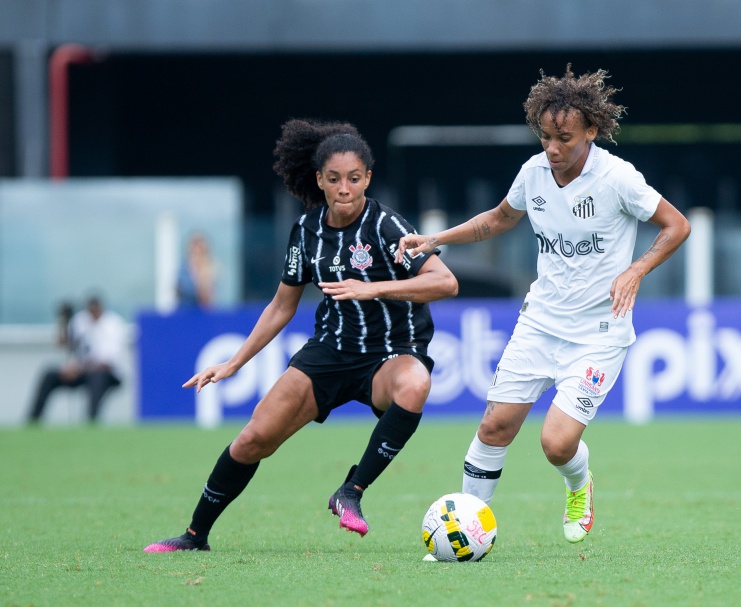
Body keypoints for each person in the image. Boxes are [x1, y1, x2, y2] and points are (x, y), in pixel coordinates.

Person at [396, 65, 691, 544]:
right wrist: (435, 239)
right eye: (545, 136)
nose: (552, 148)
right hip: (539, 323)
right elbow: (498, 219)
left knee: (556, 444)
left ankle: (580, 484)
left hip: (598, 332)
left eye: (564, 138)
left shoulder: (618, 178)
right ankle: (462, 531)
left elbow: (677, 225)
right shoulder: (534, 173)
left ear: (592, 131)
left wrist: (635, 270)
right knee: (495, 426)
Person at [144, 119, 458, 552]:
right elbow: (281, 306)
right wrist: (233, 363)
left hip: (391, 352)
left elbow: (445, 282)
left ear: (368, 177)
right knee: (254, 438)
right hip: (329, 354)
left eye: (353, 178)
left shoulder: (387, 226)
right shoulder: (307, 232)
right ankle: (195, 535)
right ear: (319, 181)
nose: (344, 188)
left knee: (415, 384)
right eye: (334, 179)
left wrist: (374, 288)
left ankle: (351, 491)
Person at [28, 295, 126, 423]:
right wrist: (63, 322)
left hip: (106, 373)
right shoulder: (80, 320)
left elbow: (107, 362)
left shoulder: (113, 324)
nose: (93, 313)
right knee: (49, 375)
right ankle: (33, 420)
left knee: (97, 377)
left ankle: (91, 421)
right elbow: (63, 344)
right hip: (80, 370)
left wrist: (80, 368)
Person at [176, 232, 217, 308]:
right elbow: (181, 291)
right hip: (186, 312)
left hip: (202, 315)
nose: (197, 257)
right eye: (195, 253)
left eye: (200, 253)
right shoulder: (183, 270)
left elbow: (208, 299)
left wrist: (203, 276)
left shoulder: (209, 270)